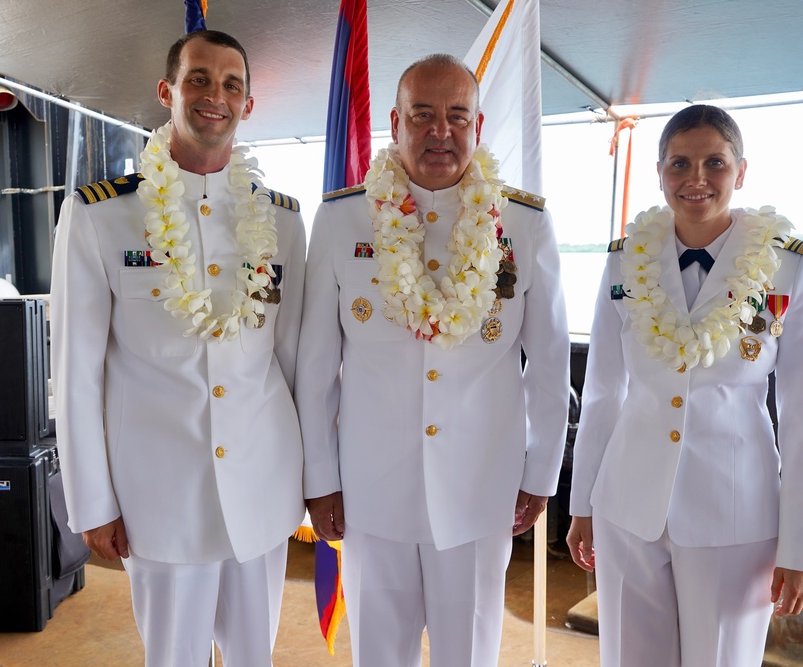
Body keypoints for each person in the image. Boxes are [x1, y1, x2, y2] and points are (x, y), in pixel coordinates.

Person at [297, 54, 570, 666]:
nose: (439, 131)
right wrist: (320, 479)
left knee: (469, 656)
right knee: (378, 656)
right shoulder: (343, 219)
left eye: (457, 116)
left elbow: (550, 363)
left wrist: (541, 472)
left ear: (478, 125)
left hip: (480, 488)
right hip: (372, 490)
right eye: (422, 115)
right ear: (395, 122)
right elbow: (316, 366)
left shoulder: (524, 224)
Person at [50, 29, 305, 667]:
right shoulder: (100, 215)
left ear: (248, 103)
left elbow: (297, 360)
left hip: (262, 485)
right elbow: (76, 375)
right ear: (167, 91)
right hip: (158, 495)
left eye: (231, 84)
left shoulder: (283, 219)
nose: (214, 96)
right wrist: (92, 500)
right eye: (198, 78)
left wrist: (311, 481)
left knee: (255, 658)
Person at [566, 104, 803, 666]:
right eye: (680, 164)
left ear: (741, 171)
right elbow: (602, 392)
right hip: (626, 504)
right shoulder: (625, 264)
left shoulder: (787, 269)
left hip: (733, 509)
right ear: (660, 172)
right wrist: (583, 501)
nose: (697, 179)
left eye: (715, 162)